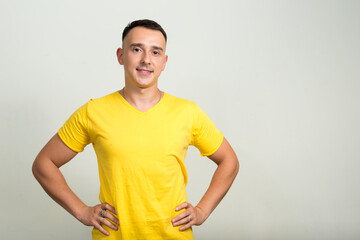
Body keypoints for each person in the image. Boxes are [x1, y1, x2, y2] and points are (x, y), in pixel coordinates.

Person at [32, 19, 239, 240]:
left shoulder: (187, 112)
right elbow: (43, 164)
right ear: (121, 56)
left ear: (164, 62)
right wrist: (81, 210)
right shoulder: (93, 111)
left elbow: (230, 161)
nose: (146, 60)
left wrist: (202, 211)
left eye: (156, 52)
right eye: (137, 49)